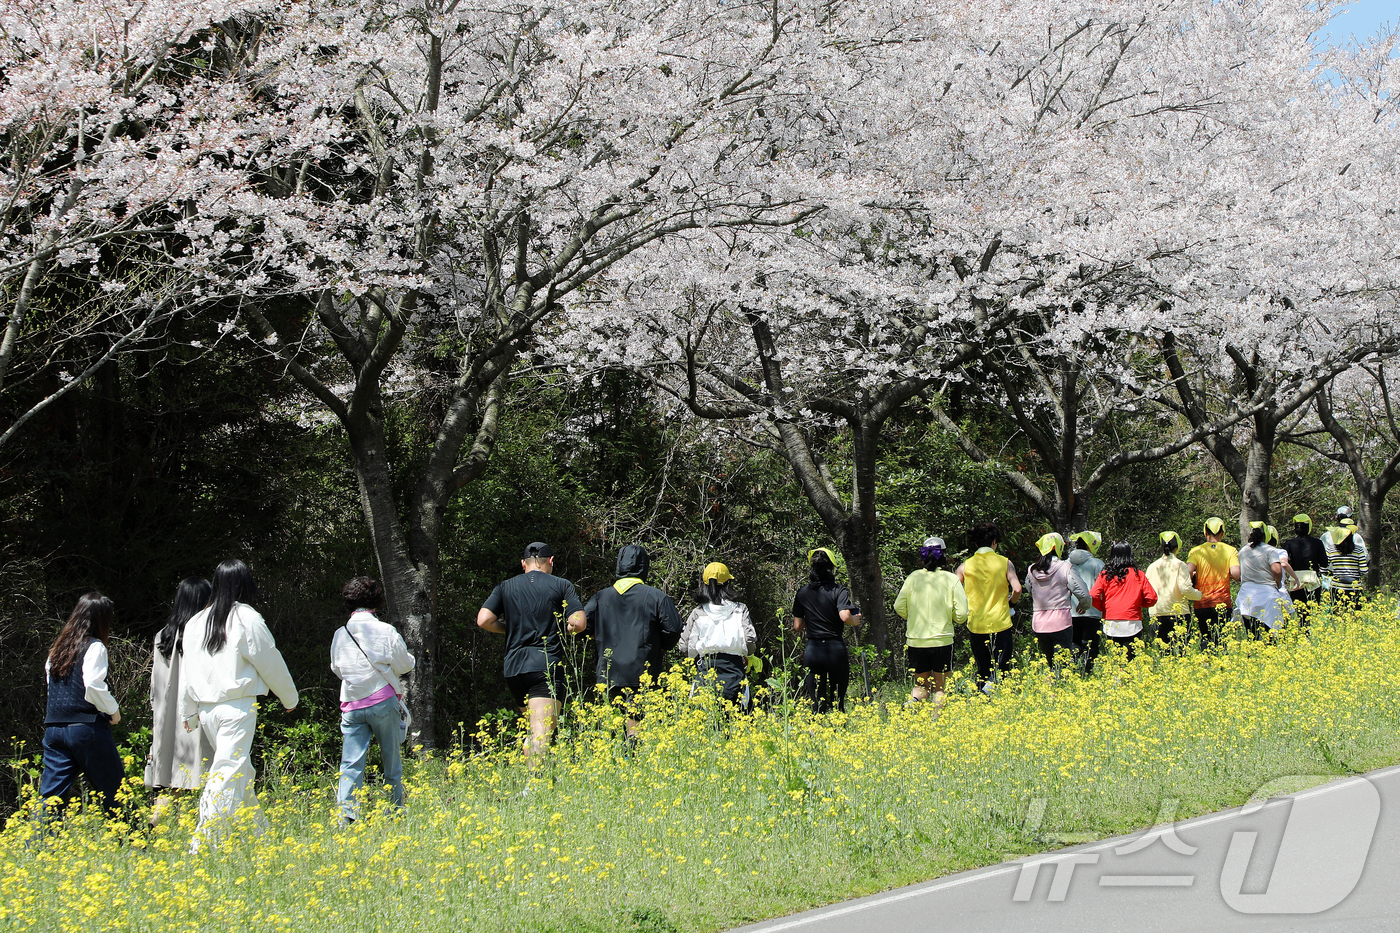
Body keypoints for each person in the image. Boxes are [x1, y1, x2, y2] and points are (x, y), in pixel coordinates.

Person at [180, 560, 298, 849]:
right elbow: (269, 659)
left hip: (207, 710)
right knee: (227, 771)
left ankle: (261, 839)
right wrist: (289, 698)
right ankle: (202, 843)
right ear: (245, 584)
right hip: (237, 709)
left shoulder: (196, 622)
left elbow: (187, 671)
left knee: (239, 772)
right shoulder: (246, 617)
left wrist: (188, 710)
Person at [477, 542, 586, 760]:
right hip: (544, 666)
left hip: (514, 668)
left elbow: (484, 620)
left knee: (533, 729)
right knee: (540, 732)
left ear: (523, 564)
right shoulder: (561, 585)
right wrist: (563, 628)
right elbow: (578, 622)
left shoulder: (505, 586)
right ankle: (534, 781)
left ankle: (534, 776)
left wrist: (511, 628)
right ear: (551, 561)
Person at [330, 576, 416, 823]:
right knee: (391, 762)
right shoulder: (385, 631)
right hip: (382, 702)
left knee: (350, 764)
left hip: (352, 705)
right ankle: (394, 813)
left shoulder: (341, 634)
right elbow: (404, 664)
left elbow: (337, 668)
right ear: (377, 601)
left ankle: (347, 817)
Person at [583, 544, 683, 736]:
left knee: (612, 730)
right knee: (637, 731)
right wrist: (657, 646)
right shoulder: (656, 596)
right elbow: (673, 630)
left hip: (608, 673)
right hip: (642, 673)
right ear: (644, 566)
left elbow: (582, 627)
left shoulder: (600, 597)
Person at [40, 593, 124, 818]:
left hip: (54, 728)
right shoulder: (95, 647)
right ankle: (137, 835)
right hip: (85, 727)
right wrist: (113, 711)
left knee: (51, 797)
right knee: (114, 790)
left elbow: (52, 685)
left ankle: (39, 838)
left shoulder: (57, 650)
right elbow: (93, 684)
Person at [145, 577, 214, 821]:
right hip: (195, 715)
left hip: (166, 717)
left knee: (170, 780)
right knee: (209, 776)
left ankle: (156, 825)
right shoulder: (206, 636)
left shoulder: (162, 637)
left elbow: (155, 685)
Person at [893, 536, 969, 704]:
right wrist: (952, 618)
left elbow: (898, 606)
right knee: (941, 689)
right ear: (944, 556)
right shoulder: (951, 579)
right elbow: (962, 614)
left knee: (922, 687)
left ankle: (913, 703)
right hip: (942, 640)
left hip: (916, 641)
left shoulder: (913, 577)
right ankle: (937, 718)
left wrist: (912, 617)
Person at [793, 548, 862, 712]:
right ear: (831, 568)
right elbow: (844, 616)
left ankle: (817, 725)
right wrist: (855, 620)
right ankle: (839, 724)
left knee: (817, 704)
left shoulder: (802, 592)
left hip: (813, 650)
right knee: (838, 702)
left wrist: (812, 618)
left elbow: (797, 626)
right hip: (835, 648)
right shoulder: (839, 590)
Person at [955, 523, 1022, 693]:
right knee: (1002, 668)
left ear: (975, 543)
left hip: (976, 624)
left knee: (983, 668)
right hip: (1001, 622)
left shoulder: (965, 566)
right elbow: (1017, 589)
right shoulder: (1005, 563)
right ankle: (994, 694)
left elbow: (952, 591)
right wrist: (1011, 604)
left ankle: (982, 695)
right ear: (994, 541)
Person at [678, 562, 757, 706]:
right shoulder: (740, 609)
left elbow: (685, 647)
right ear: (727, 583)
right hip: (734, 671)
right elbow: (749, 641)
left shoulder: (698, 612)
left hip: (706, 671)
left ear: (704, 584)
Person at [1023, 533, 1090, 672]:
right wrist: (1084, 605)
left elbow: (1030, 589)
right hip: (1061, 623)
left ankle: (1051, 684)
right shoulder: (1065, 567)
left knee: (1050, 663)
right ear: (1058, 547)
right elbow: (1082, 592)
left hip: (1039, 624)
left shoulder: (1032, 570)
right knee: (1062, 666)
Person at [1090, 542, 1157, 662]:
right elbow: (1152, 598)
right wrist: (1139, 605)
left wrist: (1104, 608)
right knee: (1130, 659)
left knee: (1115, 659)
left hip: (1111, 621)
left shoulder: (1105, 574)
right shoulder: (1139, 574)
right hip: (1132, 622)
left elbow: (1093, 595)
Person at [1187, 517, 1240, 646]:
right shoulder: (1231, 550)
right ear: (1222, 532)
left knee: (1205, 639)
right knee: (1221, 641)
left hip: (1201, 603)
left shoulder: (1196, 551)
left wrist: (1192, 581)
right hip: (1223, 602)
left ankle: (1205, 658)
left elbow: (1187, 571)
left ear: (1206, 531)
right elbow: (1236, 574)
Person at [1145, 533, 1201, 647]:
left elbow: (1147, 590)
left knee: (1161, 652)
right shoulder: (1180, 565)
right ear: (1177, 547)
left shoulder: (1152, 566)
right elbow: (1185, 589)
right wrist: (1199, 595)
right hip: (1178, 614)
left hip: (1156, 612)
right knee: (1180, 651)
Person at [1237, 522, 1291, 635]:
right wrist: (1278, 583)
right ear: (1265, 535)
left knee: (1252, 634)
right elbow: (1277, 570)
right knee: (1270, 634)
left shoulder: (1243, 551)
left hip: (1246, 595)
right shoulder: (1270, 550)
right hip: (1267, 595)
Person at [1067, 531, 1105, 671]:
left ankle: (1074, 673)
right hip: (1092, 612)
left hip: (1071, 612)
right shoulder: (1098, 564)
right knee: (1090, 647)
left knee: (1073, 645)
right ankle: (1088, 673)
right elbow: (1104, 587)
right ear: (1090, 546)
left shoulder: (1066, 564)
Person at [1282, 514, 1328, 608]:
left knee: (1298, 610)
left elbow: (1284, 561)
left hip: (1295, 580)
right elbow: (1324, 563)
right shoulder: (1318, 543)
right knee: (1312, 610)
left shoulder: (1289, 543)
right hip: (1313, 580)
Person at [1322, 523, 1369, 609]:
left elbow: (1323, 569)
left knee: (1336, 613)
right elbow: (1364, 571)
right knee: (1355, 614)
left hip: (1336, 586)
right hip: (1354, 587)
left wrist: (1332, 573)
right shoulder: (1359, 550)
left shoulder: (1331, 549)